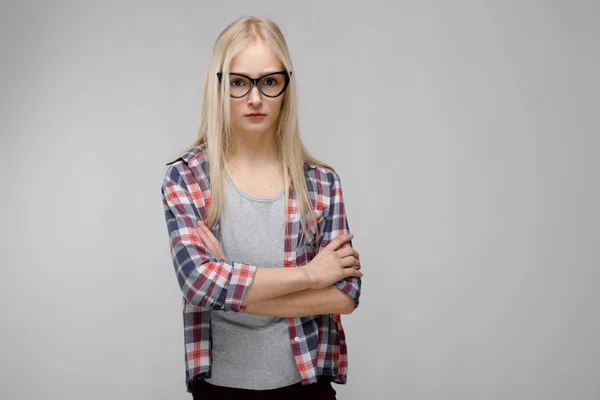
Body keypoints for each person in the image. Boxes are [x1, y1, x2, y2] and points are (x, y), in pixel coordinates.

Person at [161, 16, 363, 400]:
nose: (255, 98)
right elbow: (198, 282)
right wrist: (310, 275)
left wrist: (231, 288)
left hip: (306, 387)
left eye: (269, 82)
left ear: (286, 86)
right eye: (239, 82)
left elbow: (345, 294)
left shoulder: (321, 183)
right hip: (220, 390)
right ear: (218, 86)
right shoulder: (187, 179)